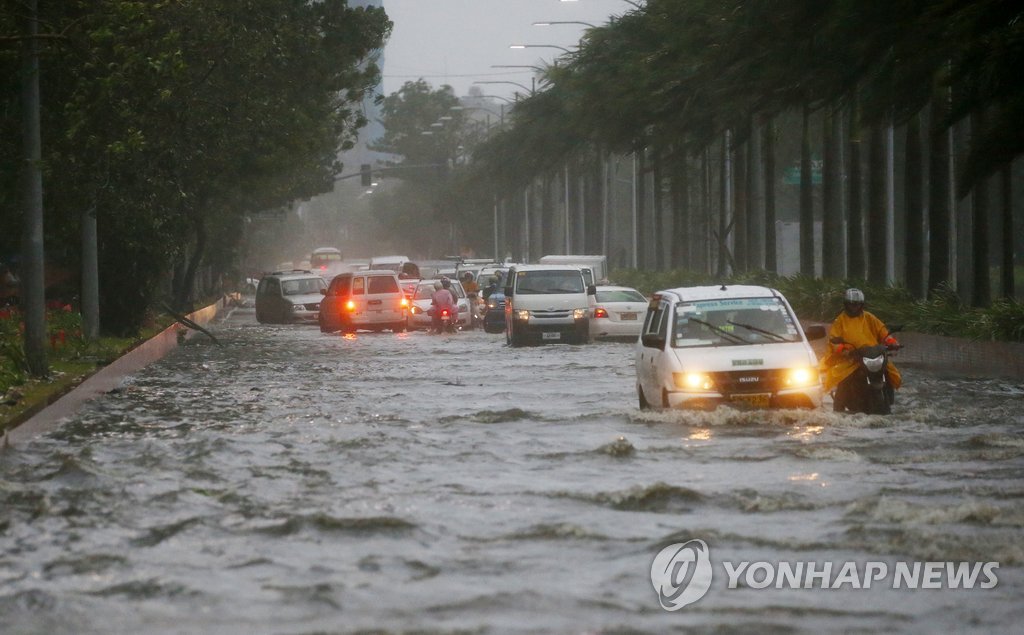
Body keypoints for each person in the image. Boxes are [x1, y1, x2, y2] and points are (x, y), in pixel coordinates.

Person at [820, 288, 902, 408]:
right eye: (852, 304)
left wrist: (892, 343)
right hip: (852, 359)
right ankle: (839, 407)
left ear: (862, 305)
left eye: (857, 304)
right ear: (846, 304)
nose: (854, 307)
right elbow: (834, 341)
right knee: (842, 377)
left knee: (889, 371)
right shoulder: (840, 321)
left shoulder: (869, 317)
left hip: (873, 355)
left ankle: (889, 397)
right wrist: (845, 350)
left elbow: (883, 332)